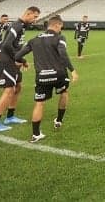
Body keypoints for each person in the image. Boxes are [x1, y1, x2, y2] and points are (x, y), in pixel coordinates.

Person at [15, 15, 78, 143]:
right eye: (61, 26)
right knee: (64, 93)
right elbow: (63, 53)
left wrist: (23, 62)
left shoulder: (34, 39)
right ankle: (59, 120)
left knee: (39, 103)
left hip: (42, 76)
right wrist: (72, 70)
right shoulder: (60, 37)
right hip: (59, 74)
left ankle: (36, 134)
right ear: (56, 25)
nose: (61, 28)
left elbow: (18, 55)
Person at [0, 6, 41, 133]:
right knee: (9, 90)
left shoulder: (22, 26)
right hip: (7, 62)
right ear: (28, 13)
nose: (35, 20)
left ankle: (10, 117)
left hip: (13, 61)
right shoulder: (17, 26)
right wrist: (19, 58)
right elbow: (6, 45)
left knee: (18, 87)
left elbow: (15, 45)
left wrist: (21, 59)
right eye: (35, 16)